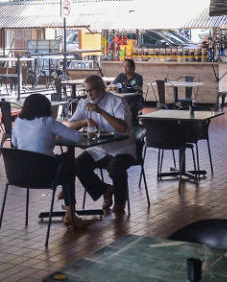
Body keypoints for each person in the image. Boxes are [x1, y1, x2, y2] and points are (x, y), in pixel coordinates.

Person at [66, 74, 136, 214]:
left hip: (122, 148)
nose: (89, 94)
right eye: (86, 91)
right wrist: (84, 122)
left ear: (102, 88)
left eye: (92, 90)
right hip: (98, 149)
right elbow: (70, 126)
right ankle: (105, 190)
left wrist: (100, 111)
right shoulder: (84, 104)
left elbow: (122, 128)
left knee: (115, 167)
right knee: (78, 165)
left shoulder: (117, 102)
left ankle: (120, 202)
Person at [11, 93, 84, 226]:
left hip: (21, 175)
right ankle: (70, 212)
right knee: (69, 161)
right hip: (46, 175)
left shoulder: (18, 122)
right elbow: (77, 138)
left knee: (65, 166)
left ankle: (66, 194)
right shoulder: (48, 122)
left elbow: (15, 143)